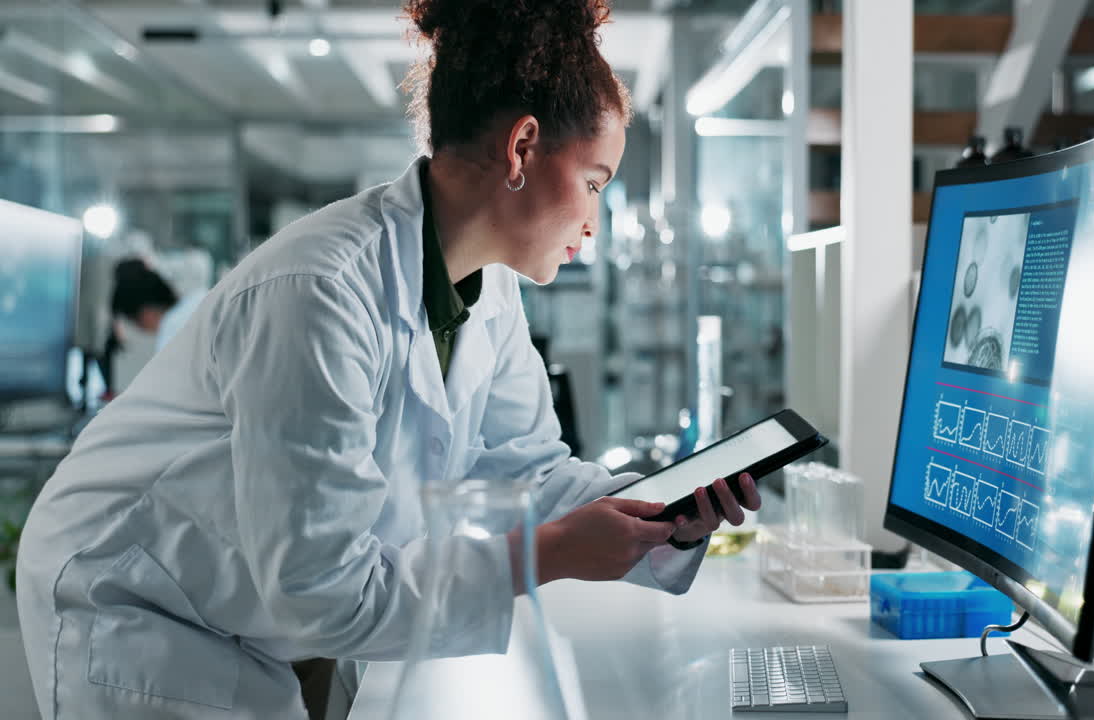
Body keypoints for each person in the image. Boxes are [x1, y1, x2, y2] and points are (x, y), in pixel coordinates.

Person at [15, 1, 762, 718]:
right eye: (595, 182)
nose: (595, 221)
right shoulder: (320, 292)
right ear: (522, 147)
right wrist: (552, 552)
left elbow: (526, 469)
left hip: (256, 606)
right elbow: (322, 590)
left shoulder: (487, 290)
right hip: (142, 604)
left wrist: (662, 512)